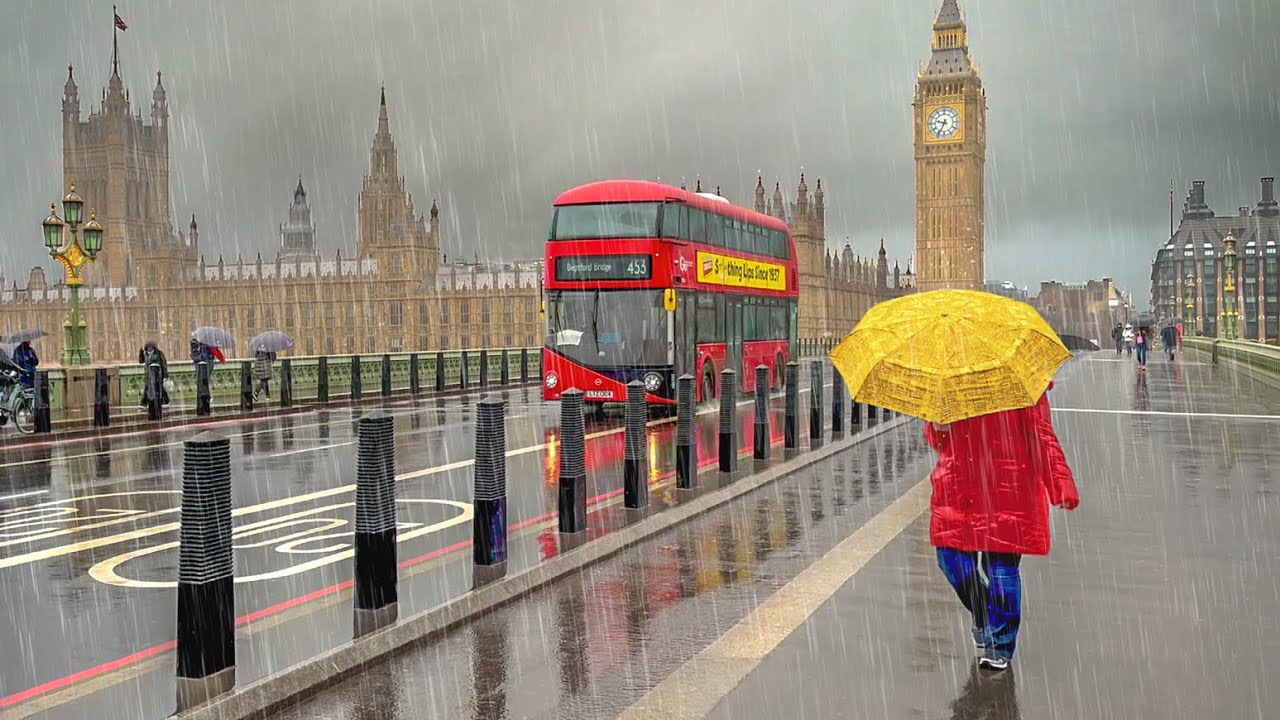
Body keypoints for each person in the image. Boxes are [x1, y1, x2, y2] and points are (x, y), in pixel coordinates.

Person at [924, 382, 1079, 672]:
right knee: (950, 559)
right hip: (960, 485)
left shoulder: (1022, 384)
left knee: (1002, 569)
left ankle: (1000, 643)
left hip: (1009, 485)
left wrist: (1060, 481)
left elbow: (1040, 435)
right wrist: (939, 425)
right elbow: (940, 442)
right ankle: (984, 613)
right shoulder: (950, 381)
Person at [138, 341, 170, 407]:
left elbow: (164, 363)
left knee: (159, 388)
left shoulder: (159, 353)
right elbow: (141, 361)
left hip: (158, 374)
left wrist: (165, 374)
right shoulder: (145, 354)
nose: (149, 349)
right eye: (148, 347)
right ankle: (144, 403)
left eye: (151, 347)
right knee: (147, 388)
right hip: (148, 374)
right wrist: (140, 353)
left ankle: (165, 400)